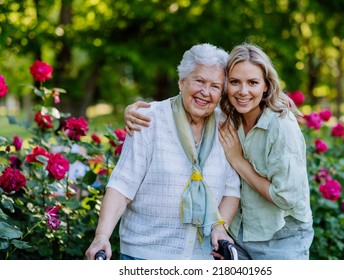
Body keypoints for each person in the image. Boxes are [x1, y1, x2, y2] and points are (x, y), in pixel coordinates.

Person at [124, 43, 314, 260]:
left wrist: (238, 161)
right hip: (237, 236)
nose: (243, 91)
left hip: (280, 238)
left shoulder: (280, 125)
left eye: (252, 82)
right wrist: (133, 110)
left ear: (266, 85)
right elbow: (189, 100)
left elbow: (286, 197)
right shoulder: (227, 117)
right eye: (234, 82)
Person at [85, 43, 240, 260]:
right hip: (145, 254)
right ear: (181, 81)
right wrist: (102, 236)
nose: (206, 92)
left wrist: (220, 227)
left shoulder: (225, 127)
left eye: (215, 86)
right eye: (199, 81)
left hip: (201, 256)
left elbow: (231, 189)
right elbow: (122, 184)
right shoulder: (149, 119)